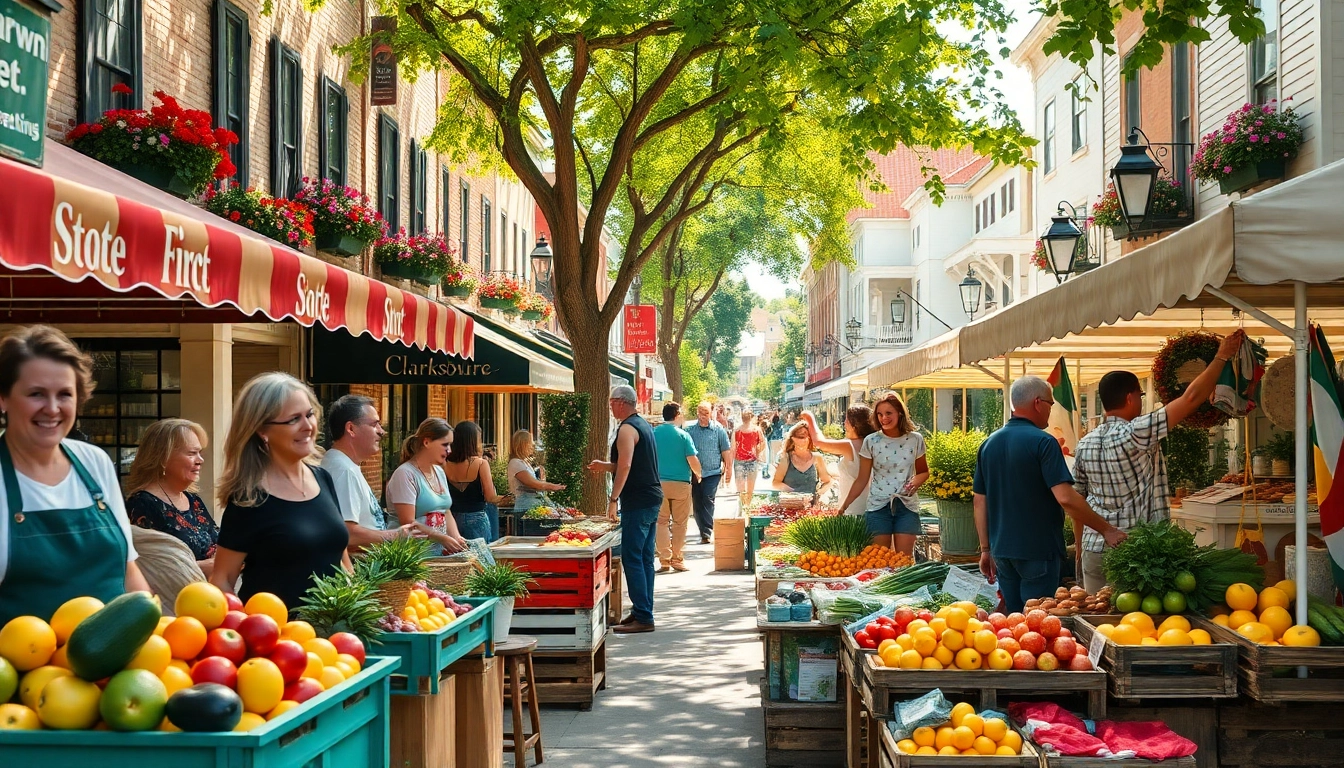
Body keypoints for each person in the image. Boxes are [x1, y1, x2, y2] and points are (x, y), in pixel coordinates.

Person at [1073, 329, 1246, 592]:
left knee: (1096, 623)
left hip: (1093, 549)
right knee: (1132, 627)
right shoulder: (1136, 432)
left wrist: (1079, 546)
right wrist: (1221, 357)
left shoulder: (1084, 443)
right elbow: (1189, 399)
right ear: (1131, 398)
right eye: (1140, 397)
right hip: (1134, 554)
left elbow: (1077, 501)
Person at [0, 325, 150, 625]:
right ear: (3, 398)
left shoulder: (94, 462)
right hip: (20, 666)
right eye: (36, 394)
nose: (52, 408)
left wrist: (153, 632)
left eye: (65, 394)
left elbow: (129, 570)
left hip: (117, 663)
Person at [973, 376, 1128, 613]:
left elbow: (979, 501)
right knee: (1037, 622)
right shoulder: (1044, 442)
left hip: (1002, 550)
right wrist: (1106, 529)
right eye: (1050, 403)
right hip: (1038, 549)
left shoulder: (988, 444)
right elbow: (1065, 497)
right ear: (1037, 403)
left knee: (1012, 622)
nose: (1051, 408)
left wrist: (985, 549)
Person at [212, 373, 351, 613]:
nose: (308, 426)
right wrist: (242, 632)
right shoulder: (249, 498)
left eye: (309, 414)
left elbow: (342, 560)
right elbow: (222, 580)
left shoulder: (323, 478)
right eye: (293, 419)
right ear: (261, 430)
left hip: (335, 638)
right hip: (278, 642)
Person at [587, 384, 662, 634]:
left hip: (638, 501)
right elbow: (628, 464)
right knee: (644, 558)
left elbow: (627, 466)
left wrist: (613, 498)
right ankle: (643, 610)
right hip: (650, 497)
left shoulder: (627, 429)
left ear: (620, 402)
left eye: (611, 402)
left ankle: (643, 614)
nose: (610, 407)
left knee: (632, 557)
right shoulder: (642, 425)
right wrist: (606, 466)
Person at [320, 395, 421, 551]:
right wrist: (395, 536)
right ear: (351, 429)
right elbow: (347, 534)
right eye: (374, 425)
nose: (382, 432)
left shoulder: (344, 465)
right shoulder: (343, 470)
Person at [124, 418, 219, 577]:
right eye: (191, 453)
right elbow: (144, 568)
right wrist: (199, 568)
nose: (200, 460)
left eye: (200, 453)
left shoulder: (193, 500)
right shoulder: (141, 504)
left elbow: (218, 542)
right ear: (163, 458)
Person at [839, 393, 928, 556]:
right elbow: (862, 479)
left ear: (900, 413)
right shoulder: (871, 441)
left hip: (906, 506)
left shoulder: (916, 439)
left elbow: (924, 472)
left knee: (904, 562)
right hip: (878, 507)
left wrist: (916, 481)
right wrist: (844, 506)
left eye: (888, 413)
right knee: (879, 561)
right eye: (879, 414)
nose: (883, 418)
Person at [386, 418, 468, 556]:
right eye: (445, 445)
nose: (449, 450)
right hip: (411, 556)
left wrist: (456, 538)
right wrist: (442, 538)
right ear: (427, 442)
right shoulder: (405, 474)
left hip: (437, 553)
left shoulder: (439, 472)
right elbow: (408, 523)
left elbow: (445, 511)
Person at [652, 402, 702, 573]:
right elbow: (692, 459)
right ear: (677, 415)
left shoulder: (654, 433)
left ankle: (664, 560)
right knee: (680, 523)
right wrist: (699, 474)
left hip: (658, 483)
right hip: (681, 483)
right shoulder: (683, 435)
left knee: (661, 522)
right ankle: (677, 559)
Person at [802, 406, 876, 516]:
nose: (844, 423)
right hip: (868, 506)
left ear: (854, 425)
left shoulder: (850, 445)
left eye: (846, 419)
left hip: (854, 509)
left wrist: (809, 418)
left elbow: (820, 443)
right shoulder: (870, 444)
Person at [443, 421, 503, 542]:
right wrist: (508, 498)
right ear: (473, 441)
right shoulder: (481, 463)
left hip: (452, 519)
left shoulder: (444, 464)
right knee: (480, 558)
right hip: (476, 518)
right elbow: (490, 497)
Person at [685, 401, 732, 544]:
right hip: (695, 473)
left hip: (713, 472)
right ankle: (703, 530)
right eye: (700, 413)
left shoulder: (718, 430)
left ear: (711, 413)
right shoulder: (690, 431)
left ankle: (707, 530)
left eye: (705, 413)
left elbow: (725, 450)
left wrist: (728, 469)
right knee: (697, 502)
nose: (702, 416)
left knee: (708, 497)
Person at [772, 421, 835, 500]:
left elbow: (827, 481)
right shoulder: (786, 458)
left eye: (807, 436)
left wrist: (819, 493)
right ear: (793, 438)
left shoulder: (817, 458)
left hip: (810, 506)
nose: (805, 439)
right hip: (789, 504)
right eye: (801, 436)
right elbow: (776, 483)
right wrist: (795, 494)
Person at [508, 430, 565, 513]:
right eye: (530, 443)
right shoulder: (515, 462)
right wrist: (552, 486)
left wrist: (542, 480)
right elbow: (533, 484)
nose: (533, 446)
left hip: (534, 508)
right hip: (525, 509)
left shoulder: (524, 462)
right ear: (523, 444)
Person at [732, 410, 766, 506]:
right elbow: (763, 443)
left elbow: (733, 448)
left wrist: (729, 464)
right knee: (750, 488)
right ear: (751, 417)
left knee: (741, 488)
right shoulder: (756, 430)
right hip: (752, 460)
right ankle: (747, 506)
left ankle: (744, 506)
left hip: (739, 461)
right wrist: (758, 453)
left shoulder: (737, 430)